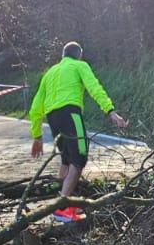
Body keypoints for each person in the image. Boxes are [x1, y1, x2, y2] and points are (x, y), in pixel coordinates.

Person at [28, 41, 128, 221]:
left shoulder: (49, 73)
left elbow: (35, 107)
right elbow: (94, 87)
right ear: (79, 55)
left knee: (66, 161)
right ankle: (61, 210)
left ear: (63, 55)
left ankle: (61, 205)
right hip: (70, 113)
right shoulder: (80, 65)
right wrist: (110, 111)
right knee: (79, 159)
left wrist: (37, 135)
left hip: (53, 118)